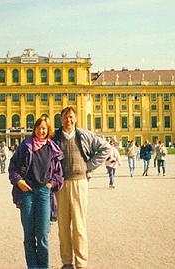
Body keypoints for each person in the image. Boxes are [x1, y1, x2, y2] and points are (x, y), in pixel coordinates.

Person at [52, 106, 110, 269]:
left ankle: (81, 263)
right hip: (61, 184)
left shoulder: (83, 135)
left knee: (79, 225)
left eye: (71, 117)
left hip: (80, 182)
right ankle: (67, 262)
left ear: (75, 119)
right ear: (61, 119)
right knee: (63, 226)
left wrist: (89, 166)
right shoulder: (55, 137)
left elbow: (105, 148)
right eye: (65, 117)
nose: (68, 120)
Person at [9, 116, 64, 269]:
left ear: (48, 130)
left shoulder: (52, 148)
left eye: (44, 128)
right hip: (27, 193)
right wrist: (18, 181)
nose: (41, 131)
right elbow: (12, 166)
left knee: (43, 236)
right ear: (34, 129)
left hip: (44, 193)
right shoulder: (25, 146)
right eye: (39, 128)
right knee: (29, 235)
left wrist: (50, 184)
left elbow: (59, 174)